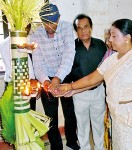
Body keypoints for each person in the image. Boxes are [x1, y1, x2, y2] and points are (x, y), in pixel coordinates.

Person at [56, 18, 132, 150]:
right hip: (118, 120)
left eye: (114, 36)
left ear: (127, 38)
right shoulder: (112, 59)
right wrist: (72, 88)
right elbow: (93, 79)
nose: (110, 40)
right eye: (110, 36)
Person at [29, 3, 79, 150]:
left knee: (69, 112)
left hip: (65, 75)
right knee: (50, 116)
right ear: (42, 21)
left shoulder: (66, 28)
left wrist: (58, 78)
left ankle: (72, 142)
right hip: (46, 78)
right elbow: (38, 63)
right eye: (47, 23)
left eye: (53, 22)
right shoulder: (35, 34)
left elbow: (69, 56)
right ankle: (56, 146)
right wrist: (46, 81)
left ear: (59, 18)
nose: (51, 26)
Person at [67, 14, 107, 150]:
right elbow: (66, 70)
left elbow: (107, 68)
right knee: (82, 126)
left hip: (98, 92)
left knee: (98, 125)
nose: (83, 31)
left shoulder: (101, 45)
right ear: (76, 30)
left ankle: (99, 148)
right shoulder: (71, 48)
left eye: (86, 27)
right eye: (79, 28)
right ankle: (84, 148)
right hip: (79, 94)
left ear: (91, 28)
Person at [0, 24, 37, 111]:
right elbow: (10, 68)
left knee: (29, 111)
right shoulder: (5, 44)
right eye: (26, 27)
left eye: (28, 27)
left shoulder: (30, 41)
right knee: (13, 113)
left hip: (29, 82)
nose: (27, 30)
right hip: (14, 83)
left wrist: (33, 82)